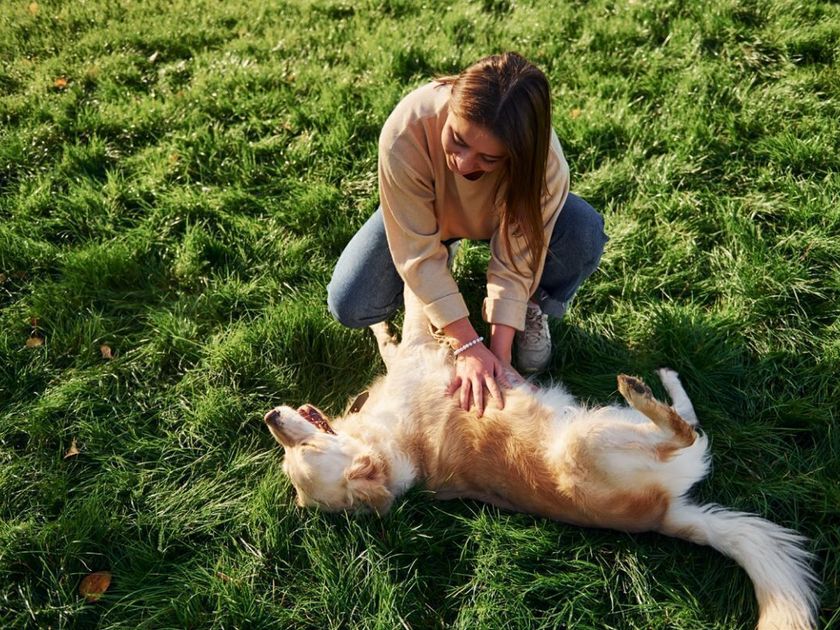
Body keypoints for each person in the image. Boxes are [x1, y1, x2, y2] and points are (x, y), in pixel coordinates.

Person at [327, 52, 607, 416]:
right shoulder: (407, 128)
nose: (461, 163)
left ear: (518, 155)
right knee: (351, 303)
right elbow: (415, 251)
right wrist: (467, 345)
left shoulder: (545, 166)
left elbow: (516, 260)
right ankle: (439, 275)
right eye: (457, 139)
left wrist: (500, 359)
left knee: (583, 230)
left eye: (488, 159)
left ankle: (531, 304)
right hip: (424, 218)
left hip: (500, 222)